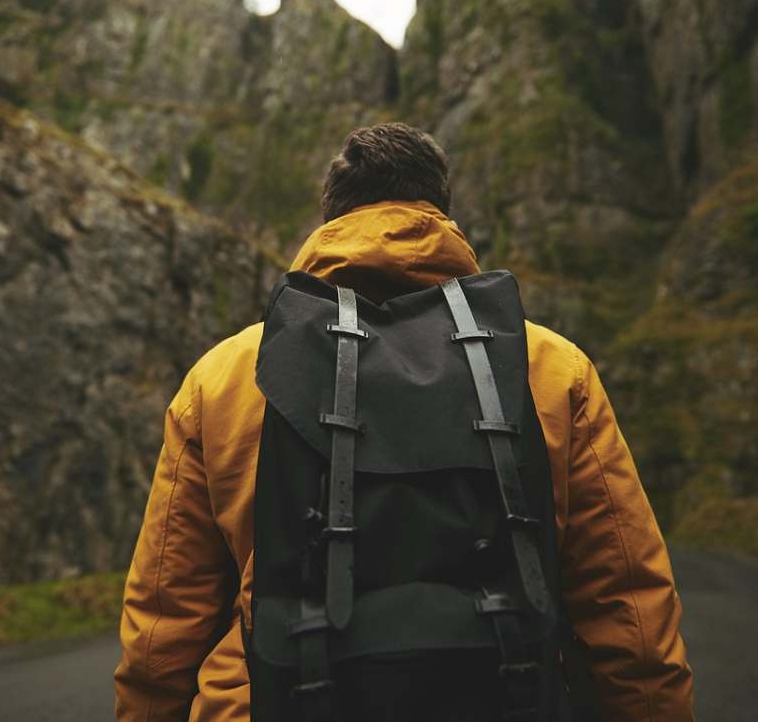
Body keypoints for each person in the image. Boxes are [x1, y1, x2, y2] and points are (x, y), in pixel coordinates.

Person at [114, 123, 695, 721]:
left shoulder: (226, 377)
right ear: (440, 213)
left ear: (331, 219)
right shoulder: (548, 365)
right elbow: (629, 612)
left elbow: (162, 634)